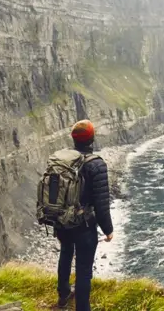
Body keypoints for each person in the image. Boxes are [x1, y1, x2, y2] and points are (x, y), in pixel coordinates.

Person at [55, 119, 114, 310]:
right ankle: (82, 308)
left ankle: (63, 295)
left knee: (65, 253)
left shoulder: (62, 159)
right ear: (92, 139)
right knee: (83, 269)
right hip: (84, 225)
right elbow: (101, 203)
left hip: (62, 220)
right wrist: (108, 230)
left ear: (74, 139)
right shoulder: (96, 165)